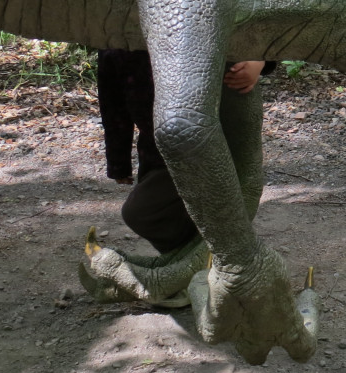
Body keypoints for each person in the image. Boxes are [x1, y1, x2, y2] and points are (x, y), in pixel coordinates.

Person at [97, 48, 271, 254]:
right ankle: (193, 260)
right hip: (157, 151)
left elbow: (248, 32)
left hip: (214, 145)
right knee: (159, 215)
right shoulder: (117, 44)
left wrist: (259, 61)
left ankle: (208, 259)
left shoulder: (190, 18)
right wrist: (119, 163)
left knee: (142, 213)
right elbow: (114, 106)